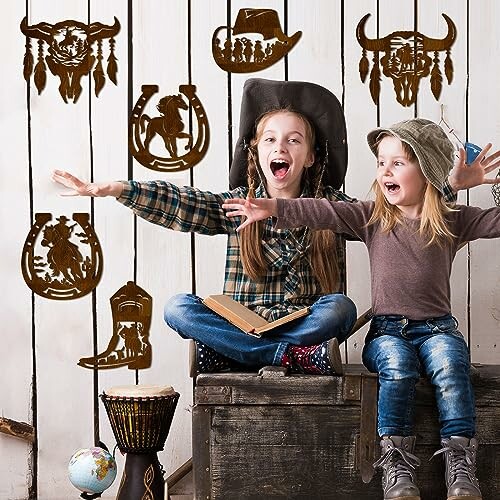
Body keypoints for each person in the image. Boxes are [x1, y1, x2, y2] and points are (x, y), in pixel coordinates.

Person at [51, 78, 491, 379]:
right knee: (177, 308)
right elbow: (183, 203)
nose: (280, 147)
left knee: (338, 306)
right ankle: (284, 357)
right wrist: (117, 189)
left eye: (293, 140)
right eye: (270, 140)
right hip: (245, 323)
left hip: (309, 323)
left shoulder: (336, 209)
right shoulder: (241, 205)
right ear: (255, 153)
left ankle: (239, 355)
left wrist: (448, 187)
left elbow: (407, 218)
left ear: (311, 156)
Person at [222, 118, 500, 500]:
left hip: (439, 329)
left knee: (452, 366)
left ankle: (459, 460)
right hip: (387, 331)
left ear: (429, 171)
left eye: (398, 162)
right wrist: (271, 206)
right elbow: (320, 211)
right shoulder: (372, 217)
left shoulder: (451, 221)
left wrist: (493, 184)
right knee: (398, 369)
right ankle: (396, 461)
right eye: (381, 162)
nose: (385, 170)